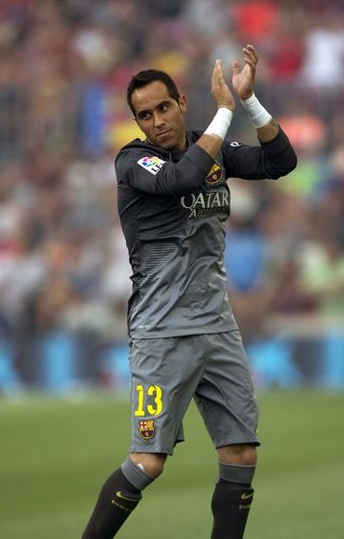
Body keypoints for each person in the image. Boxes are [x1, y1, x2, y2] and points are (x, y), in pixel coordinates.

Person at [81, 45, 297, 539]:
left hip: (217, 327)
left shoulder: (210, 145)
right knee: (148, 462)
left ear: (180, 102)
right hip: (162, 333)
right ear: (136, 123)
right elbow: (185, 176)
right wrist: (224, 112)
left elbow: (281, 161)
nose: (156, 121)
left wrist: (248, 102)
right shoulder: (133, 162)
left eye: (163, 107)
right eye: (144, 115)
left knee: (241, 453)